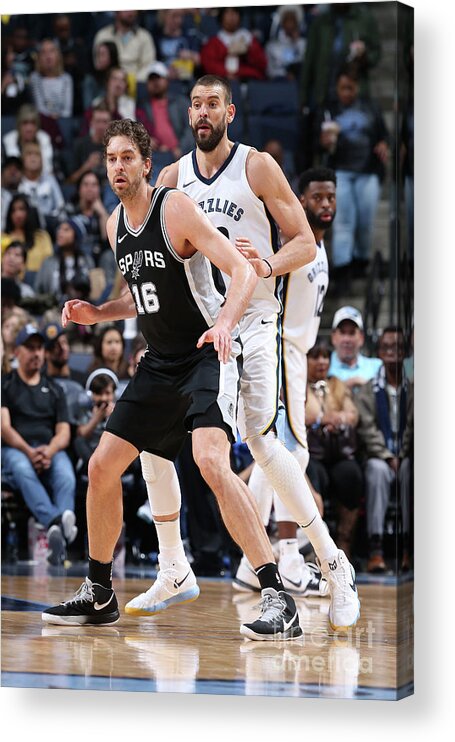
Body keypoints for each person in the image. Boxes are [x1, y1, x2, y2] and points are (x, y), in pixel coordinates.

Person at [42, 118, 303, 641]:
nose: (117, 167)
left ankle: (277, 594)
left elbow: (242, 270)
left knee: (211, 461)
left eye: (125, 158)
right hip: (159, 361)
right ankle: (99, 590)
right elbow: (142, 297)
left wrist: (226, 324)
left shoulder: (174, 206)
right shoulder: (115, 224)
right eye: (109, 159)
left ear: (145, 163)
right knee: (100, 466)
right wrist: (99, 313)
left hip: (203, 353)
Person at [128, 76, 360, 632]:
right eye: (196, 106)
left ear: (230, 111)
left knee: (260, 440)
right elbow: (157, 266)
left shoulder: (256, 166)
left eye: (214, 104)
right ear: (187, 116)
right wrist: (153, 339)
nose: (204, 113)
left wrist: (265, 266)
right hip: (203, 332)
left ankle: (331, 563)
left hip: (255, 323)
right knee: (150, 429)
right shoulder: (170, 179)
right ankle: (173, 562)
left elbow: (303, 240)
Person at [234, 167, 337, 592]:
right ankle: (290, 557)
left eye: (330, 197)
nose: (325, 204)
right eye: (316, 197)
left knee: (271, 459)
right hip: (278, 348)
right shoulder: (290, 244)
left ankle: (249, 562)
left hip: (296, 352)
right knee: (292, 456)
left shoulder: (321, 248)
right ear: (299, 200)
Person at [1, 324, 77, 565]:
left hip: (49, 448)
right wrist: (29, 451)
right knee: (22, 469)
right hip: (16, 448)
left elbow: (64, 431)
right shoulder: (5, 384)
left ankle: (58, 530)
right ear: (17, 352)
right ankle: (58, 523)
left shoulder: (55, 388)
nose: (36, 353)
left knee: (66, 474)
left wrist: (50, 450)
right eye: (30, 348)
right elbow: (4, 427)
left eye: (40, 348)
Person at [317, 65, 390, 288]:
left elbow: (383, 135)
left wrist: (383, 144)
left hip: (367, 171)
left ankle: (361, 260)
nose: (346, 92)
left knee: (366, 222)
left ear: (357, 88)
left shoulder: (370, 108)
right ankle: (342, 266)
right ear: (337, 89)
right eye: (342, 88)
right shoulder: (329, 110)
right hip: (341, 172)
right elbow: (315, 141)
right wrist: (324, 142)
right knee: (343, 221)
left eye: (350, 88)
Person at [355, 327, 413, 572]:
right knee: (377, 471)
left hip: (407, 454)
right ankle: (376, 550)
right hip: (380, 457)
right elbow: (367, 428)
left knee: (412, 470)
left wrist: (402, 453)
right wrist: (388, 455)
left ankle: (410, 548)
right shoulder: (369, 389)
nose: (392, 351)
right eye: (387, 347)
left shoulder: (415, 389)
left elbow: (414, 426)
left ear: (406, 351)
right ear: (379, 352)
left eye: (398, 346)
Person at [305, 339, 363, 559]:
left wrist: (338, 418)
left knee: (352, 475)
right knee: (312, 475)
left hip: (338, 452)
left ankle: (344, 540)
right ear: (305, 359)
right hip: (312, 454)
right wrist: (321, 417)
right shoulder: (297, 384)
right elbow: (301, 416)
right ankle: (316, 546)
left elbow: (353, 415)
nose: (321, 362)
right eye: (315, 357)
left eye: (325, 357)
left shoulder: (337, 384)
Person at [136, 62, 194, 157]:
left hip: (182, 154)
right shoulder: (142, 106)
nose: (155, 82)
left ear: (167, 80)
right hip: (156, 155)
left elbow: (192, 127)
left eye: (158, 78)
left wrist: (181, 148)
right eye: (151, 79)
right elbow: (137, 130)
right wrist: (146, 139)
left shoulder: (180, 102)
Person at [34, 218, 94, 304]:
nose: (60, 233)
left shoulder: (87, 261)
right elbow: (38, 290)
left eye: (66, 230)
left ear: (76, 235)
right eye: (59, 229)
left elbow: (94, 291)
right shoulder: (48, 262)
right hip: (53, 310)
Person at [200, 7, 267, 81]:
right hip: (223, 82)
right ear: (221, 17)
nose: (232, 16)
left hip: (248, 81)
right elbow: (209, 65)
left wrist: (249, 49)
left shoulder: (249, 39)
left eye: (235, 12)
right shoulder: (214, 42)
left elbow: (262, 65)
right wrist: (226, 73)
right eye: (227, 13)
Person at [92, 11, 157, 84]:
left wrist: (130, 80)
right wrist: (114, 79)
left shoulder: (144, 36)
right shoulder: (103, 35)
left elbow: (149, 65)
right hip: (107, 82)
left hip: (136, 83)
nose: (131, 12)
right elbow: (98, 64)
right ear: (116, 12)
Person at [329, 305, 382, 390]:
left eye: (352, 333)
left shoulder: (377, 367)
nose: (346, 339)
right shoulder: (323, 366)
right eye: (342, 332)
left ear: (361, 338)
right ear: (333, 337)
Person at [1, 193, 53, 276]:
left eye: (21, 209)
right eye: (13, 210)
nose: (17, 214)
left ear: (30, 211)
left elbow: (48, 264)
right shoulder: (2, 237)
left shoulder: (42, 237)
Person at [66, 103, 112, 186]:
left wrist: (110, 167)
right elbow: (69, 181)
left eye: (105, 122)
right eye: (98, 121)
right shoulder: (80, 145)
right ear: (91, 123)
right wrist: (86, 166)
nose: (101, 126)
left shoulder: (115, 147)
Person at [2, 104, 54, 176]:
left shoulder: (44, 140)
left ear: (38, 125)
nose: (29, 128)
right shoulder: (8, 141)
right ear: (18, 125)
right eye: (25, 123)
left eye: (33, 123)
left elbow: (48, 170)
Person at [29, 38, 74, 121]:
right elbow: (39, 108)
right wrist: (51, 119)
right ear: (39, 57)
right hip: (42, 123)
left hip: (63, 122)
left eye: (51, 51)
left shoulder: (66, 79)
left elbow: (67, 110)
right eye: (44, 52)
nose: (48, 56)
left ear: (58, 56)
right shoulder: (35, 78)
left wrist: (59, 118)